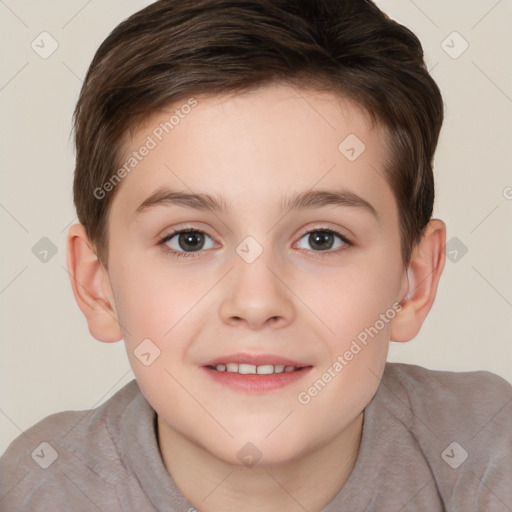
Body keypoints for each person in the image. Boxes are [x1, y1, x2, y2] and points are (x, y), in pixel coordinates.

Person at [1, 1, 511, 510]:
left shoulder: (489, 454)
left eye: (322, 239)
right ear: (98, 285)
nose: (256, 301)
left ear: (413, 281)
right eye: (190, 240)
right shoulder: (35, 491)